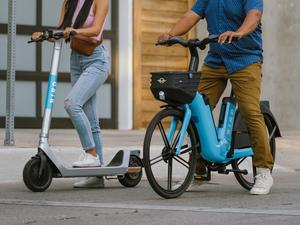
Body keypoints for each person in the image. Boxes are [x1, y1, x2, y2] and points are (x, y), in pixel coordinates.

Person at [158, 0, 274, 195]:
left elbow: (253, 16)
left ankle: (263, 171)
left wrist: (239, 32)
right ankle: (198, 171)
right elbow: (190, 16)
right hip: (216, 60)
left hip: (246, 59)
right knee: (197, 110)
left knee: (249, 110)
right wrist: (171, 34)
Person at [31, 0, 109, 188]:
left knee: (72, 104)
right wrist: (44, 34)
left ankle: (91, 154)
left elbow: (96, 29)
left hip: (96, 61)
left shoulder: (101, 1)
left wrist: (75, 31)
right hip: (76, 60)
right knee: (92, 122)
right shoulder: (69, 1)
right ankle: (96, 177)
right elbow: (62, 30)